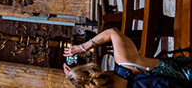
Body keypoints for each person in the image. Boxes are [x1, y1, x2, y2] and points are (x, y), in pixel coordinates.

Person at [64, 27, 192, 88]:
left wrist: (74, 78)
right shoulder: (126, 62)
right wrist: (82, 47)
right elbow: (112, 32)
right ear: (92, 68)